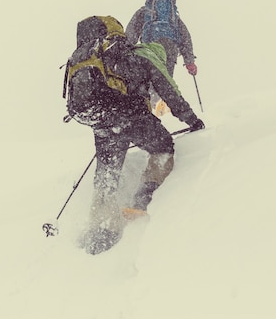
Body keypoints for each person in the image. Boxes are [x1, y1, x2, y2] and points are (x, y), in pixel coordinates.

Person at [63, 15, 204, 255]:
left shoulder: (100, 57)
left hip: (101, 119)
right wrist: (192, 120)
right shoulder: (146, 55)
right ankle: (142, 198)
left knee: (106, 172)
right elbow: (170, 93)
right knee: (163, 148)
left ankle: (101, 227)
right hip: (130, 115)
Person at [126, 0, 198, 116]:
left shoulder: (144, 13)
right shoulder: (173, 17)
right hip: (169, 51)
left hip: (150, 51)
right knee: (165, 81)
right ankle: (163, 108)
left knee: (148, 80)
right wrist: (190, 62)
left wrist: (126, 53)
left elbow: (130, 35)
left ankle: (152, 112)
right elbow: (185, 38)